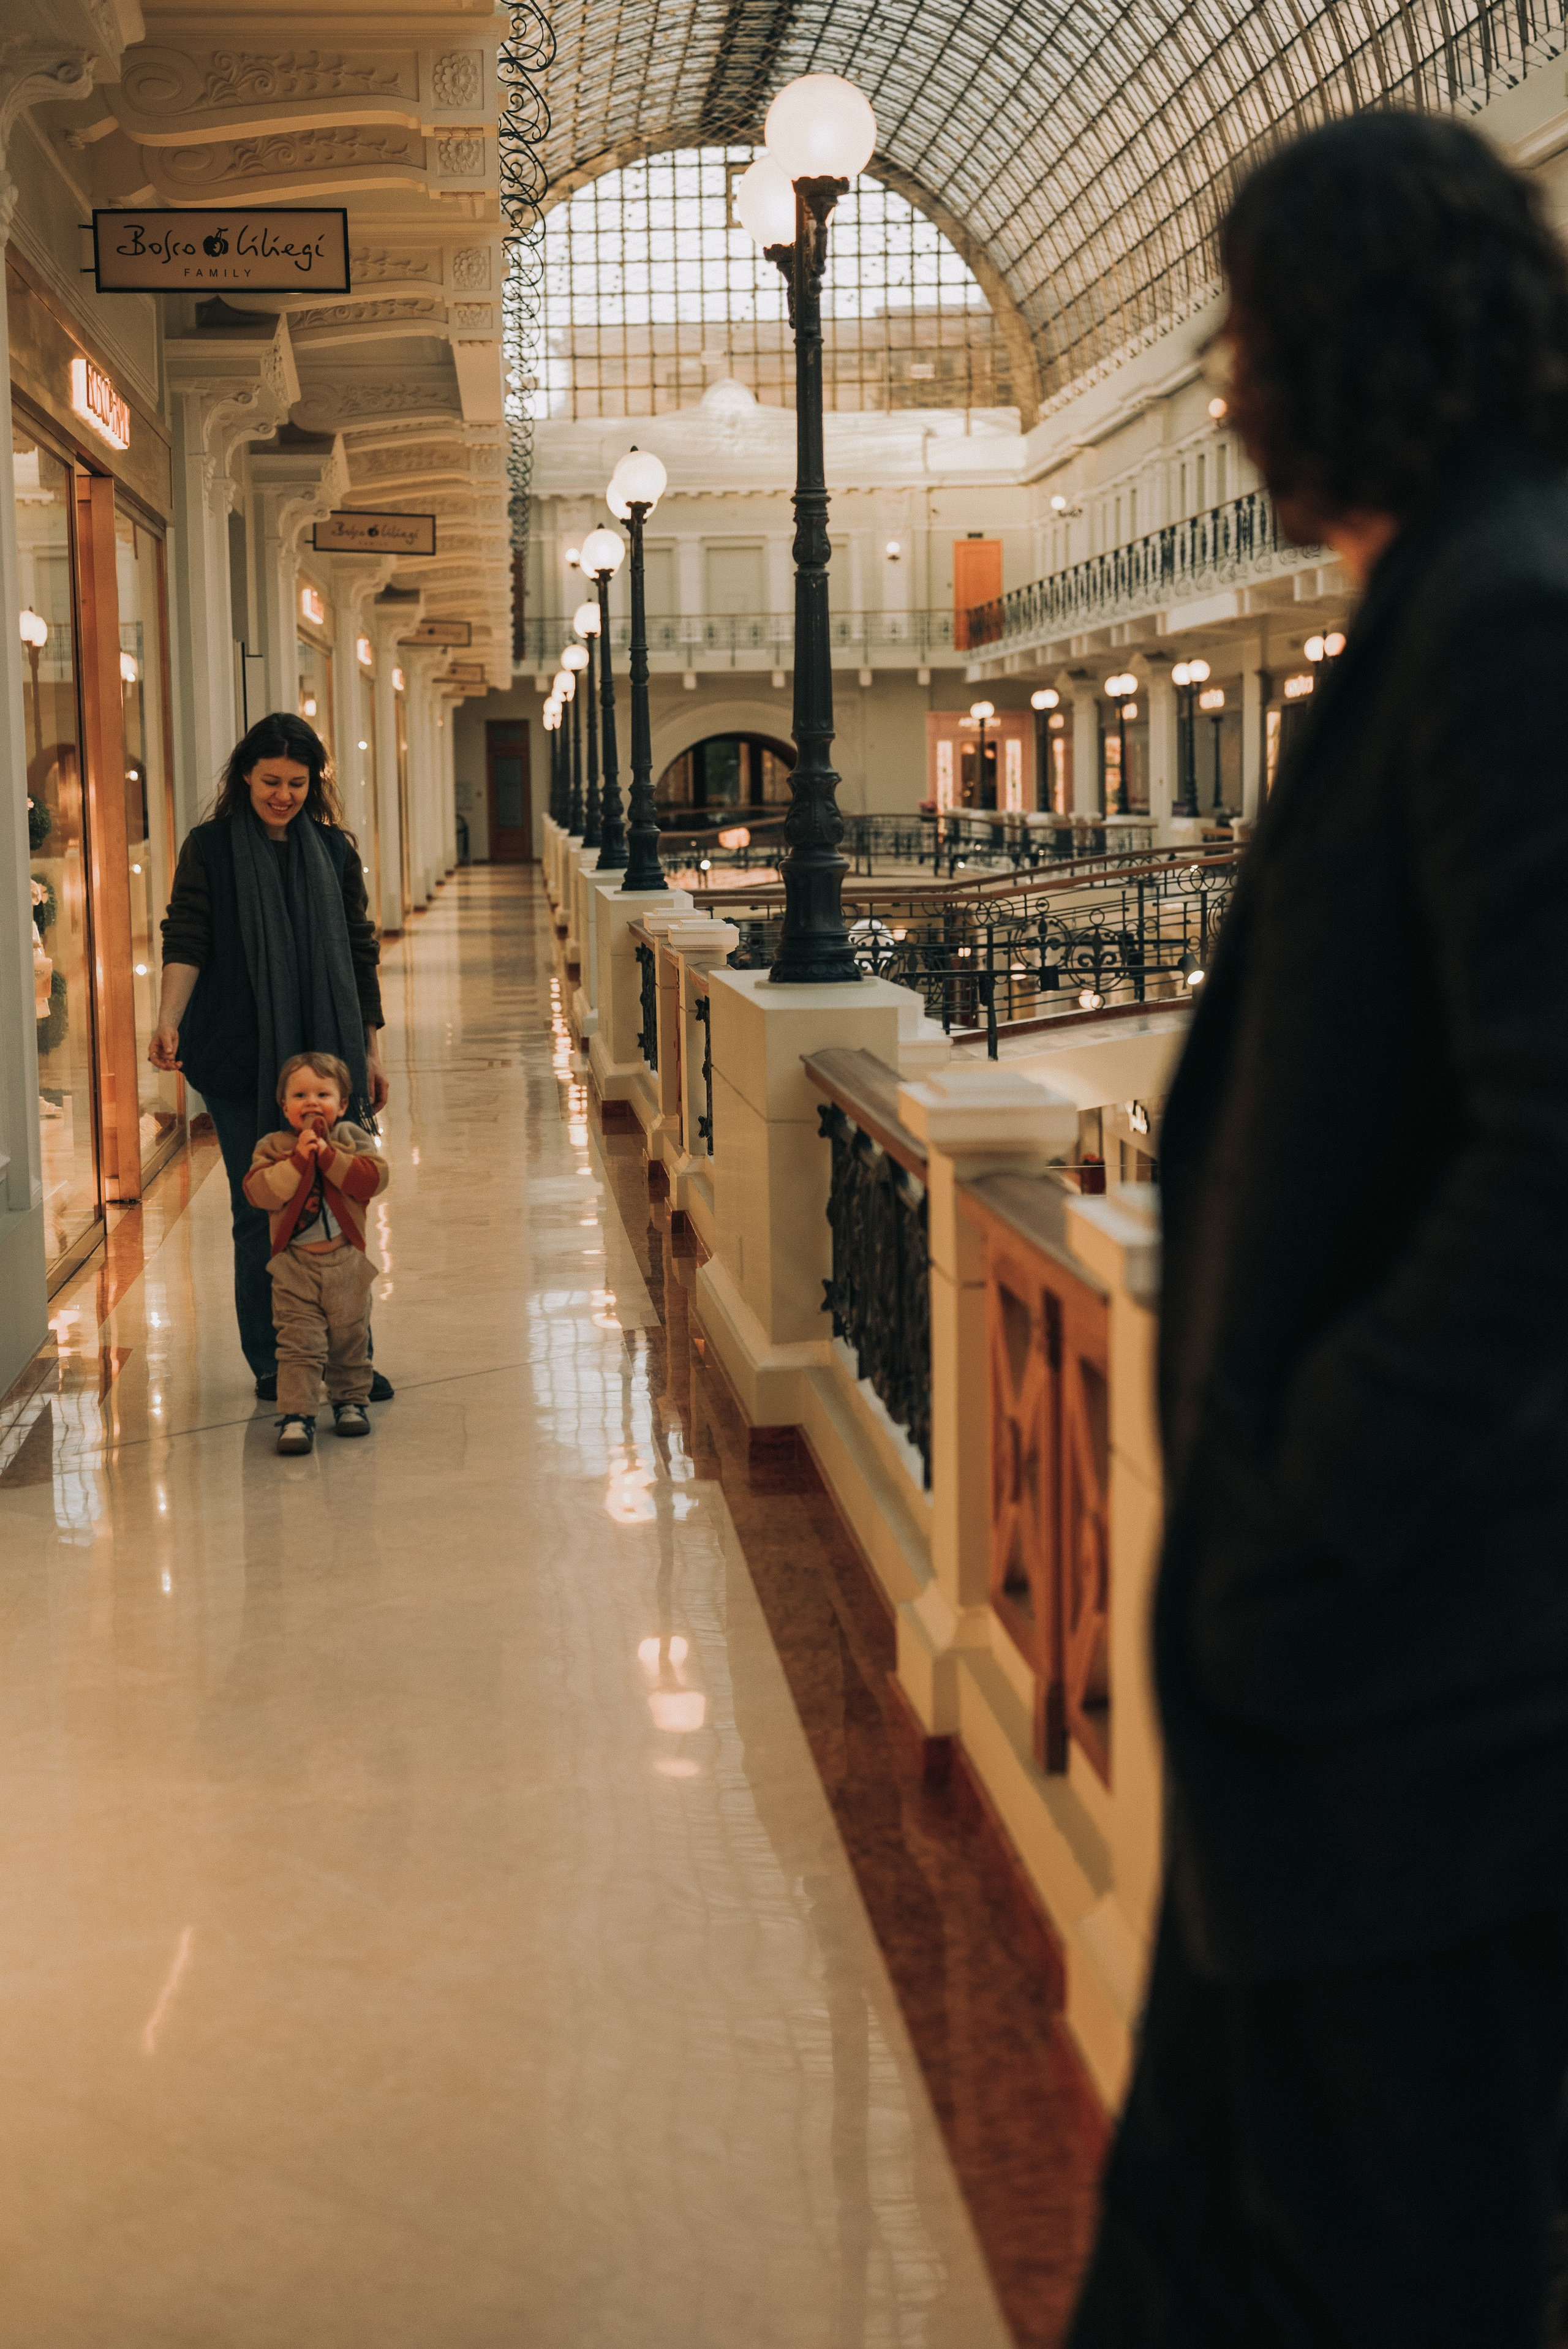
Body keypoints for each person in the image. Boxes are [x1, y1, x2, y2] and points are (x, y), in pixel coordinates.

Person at [1066, 113, 1568, 2347]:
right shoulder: (1445, 596)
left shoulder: (1505, 617)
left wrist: (1299, 1489)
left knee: (1360, 2271)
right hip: (1325, 1710)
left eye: (1246, 336)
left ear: (1359, 334)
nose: (1227, 395)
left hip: (1411, 1705)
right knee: (1198, 2246)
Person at [151, 713, 393, 1403]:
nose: (282, 795)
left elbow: (358, 950)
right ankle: (276, 1360)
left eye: (296, 782)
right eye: (269, 782)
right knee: (259, 1207)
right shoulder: (211, 849)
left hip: (329, 1064)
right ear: (244, 779)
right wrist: (167, 1019)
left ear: (313, 783)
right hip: (238, 1059)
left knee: (339, 1206)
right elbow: (187, 936)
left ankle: (350, 1360)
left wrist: (371, 1053)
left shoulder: (333, 851)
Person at [243, 1052, 389, 1455]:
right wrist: (298, 1159)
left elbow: (371, 1180)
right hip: (295, 1267)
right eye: (300, 1094)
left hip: (346, 1263)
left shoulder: (352, 1140)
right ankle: (297, 1414)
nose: (311, 1102)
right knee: (298, 1343)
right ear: (285, 1105)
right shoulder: (273, 1147)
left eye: (323, 1093)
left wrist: (327, 1156)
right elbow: (260, 1191)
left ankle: (351, 1402)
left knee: (350, 1340)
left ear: (342, 1104)